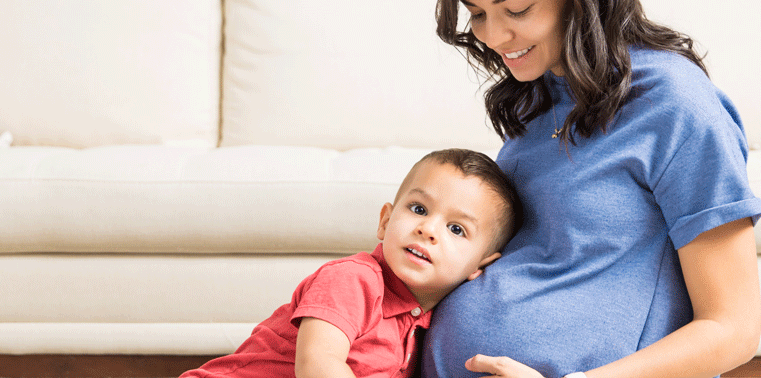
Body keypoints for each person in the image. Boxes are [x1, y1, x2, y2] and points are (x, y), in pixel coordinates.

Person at [422, 0, 761, 378]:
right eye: (477, 13)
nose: (494, 37)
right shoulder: (540, 93)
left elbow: (734, 328)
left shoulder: (674, 102)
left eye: (515, 10)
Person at [179, 148, 522, 378]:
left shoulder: (429, 324)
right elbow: (318, 365)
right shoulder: (354, 280)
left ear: (481, 265)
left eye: (456, 229)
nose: (427, 229)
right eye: (419, 209)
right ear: (385, 221)